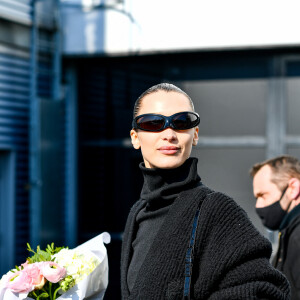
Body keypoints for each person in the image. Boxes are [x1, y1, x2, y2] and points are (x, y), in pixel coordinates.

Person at [121, 83, 290, 299]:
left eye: (181, 122)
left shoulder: (216, 210)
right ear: (135, 137)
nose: (169, 133)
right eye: (154, 123)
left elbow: (267, 291)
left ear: (195, 134)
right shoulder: (137, 213)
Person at [251, 155, 300, 300]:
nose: (258, 206)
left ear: (292, 188)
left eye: (263, 195)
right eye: (256, 198)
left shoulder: (297, 237)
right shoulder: (289, 233)